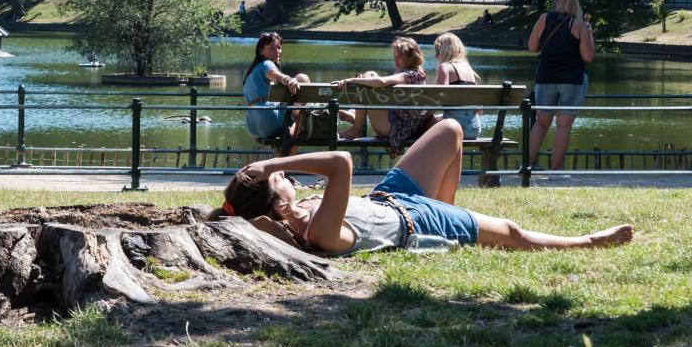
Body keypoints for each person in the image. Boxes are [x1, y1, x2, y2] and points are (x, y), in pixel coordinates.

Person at [217, 119, 633, 254]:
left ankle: (457, 213)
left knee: (450, 129)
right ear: (276, 204)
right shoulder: (319, 233)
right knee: (511, 232)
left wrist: (270, 173)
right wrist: (274, 161)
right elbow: (341, 163)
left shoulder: (299, 213)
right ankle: (589, 241)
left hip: (391, 195)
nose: (285, 175)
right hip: (416, 220)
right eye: (279, 180)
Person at [527, 0, 596, 170]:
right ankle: (555, 172)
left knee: (541, 124)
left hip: (546, 77)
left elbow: (532, 47)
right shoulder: (579, 25)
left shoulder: (543, 19)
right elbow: (588, 57)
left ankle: (526, 166)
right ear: (576, 1)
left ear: (556, 0)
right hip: (571, 80)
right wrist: (589, 32)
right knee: (563, 126)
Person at [333, 36, 434, 154]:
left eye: (399, 56)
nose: (395, 59)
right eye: (394, 55)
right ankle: (355, 115)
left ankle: (355, 128)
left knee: (368, 83)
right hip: (401, 125)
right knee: (370, 75)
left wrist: (352, 80)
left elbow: (382, 82)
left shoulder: (410, 75)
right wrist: (364, 80)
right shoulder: (417, 74)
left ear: (409, 57)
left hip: (397, 130)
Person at [242, 32, 310, 141]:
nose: (277, 51)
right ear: (261, 50)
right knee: (303, 78)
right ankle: (299, 127)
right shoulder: (266, 64)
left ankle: (297, 129)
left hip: (253, 127)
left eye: (279, 48)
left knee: (291, 106)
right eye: (271, 48)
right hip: (270, 122)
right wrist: (289, 80)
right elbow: (276, 75)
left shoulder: (253, 70)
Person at [433, 32, 482, 139]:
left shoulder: (445, 67)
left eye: (437, 51)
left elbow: (439, 100)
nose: (435, 55)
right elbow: (479, 110)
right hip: (475, 129)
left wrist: (425, 117)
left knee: (425, 126)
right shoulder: (469, 70)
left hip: (455, 129)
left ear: (445, 51)